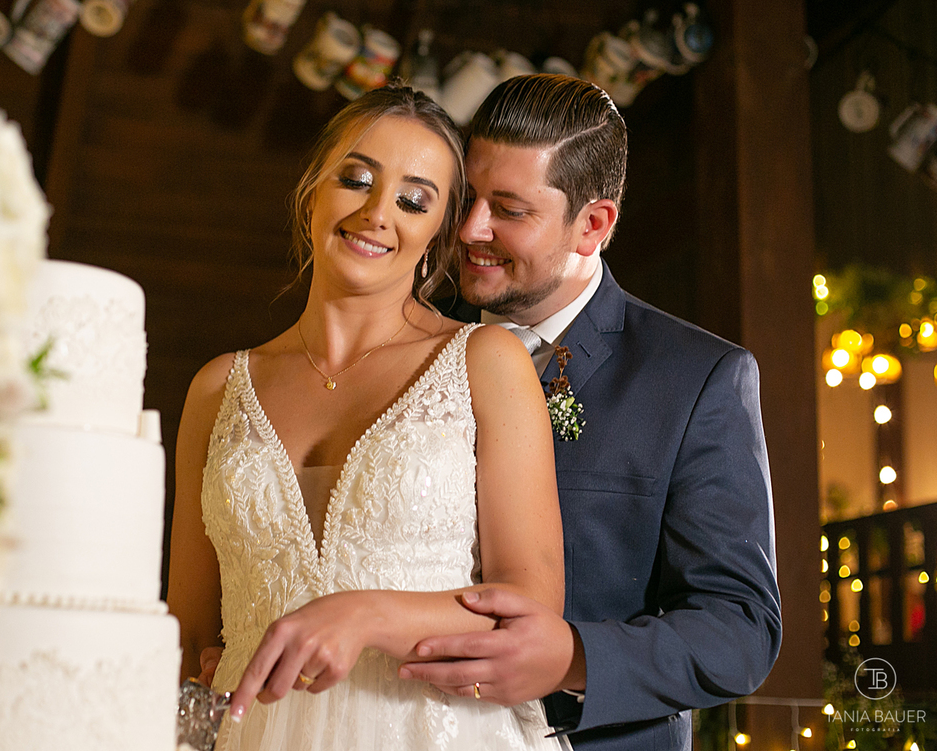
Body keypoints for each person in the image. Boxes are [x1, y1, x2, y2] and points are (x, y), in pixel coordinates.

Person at [167, 84, 568, 751]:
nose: (378, 214)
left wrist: (368, 616)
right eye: (356, 180)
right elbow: (187, 639)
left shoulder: (485, 362)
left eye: (414, 200)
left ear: (438, 232)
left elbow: (529, 608)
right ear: (311, 194)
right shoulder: (216, 388)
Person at [399, 74, 783, 751]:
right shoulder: (404, 347)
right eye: (467, 196)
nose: (469, 229)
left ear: (593, 225)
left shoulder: (696, 379)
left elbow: (740, 631)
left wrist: (573, 656)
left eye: (508, 209)